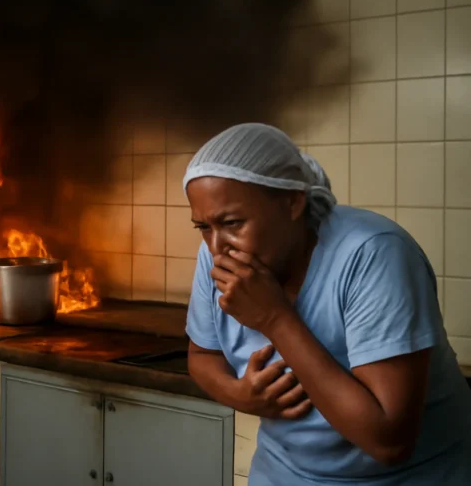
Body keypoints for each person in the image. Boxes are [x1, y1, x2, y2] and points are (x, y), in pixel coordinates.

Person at [183, 123, 471, 485]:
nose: (216, 246)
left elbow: (388, 441)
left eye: (233, 223)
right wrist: (241, 395)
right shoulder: (217, 254)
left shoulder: (373, 253)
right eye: (203, 228)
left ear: (293, 202)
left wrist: (275, 318)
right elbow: (203, 356)